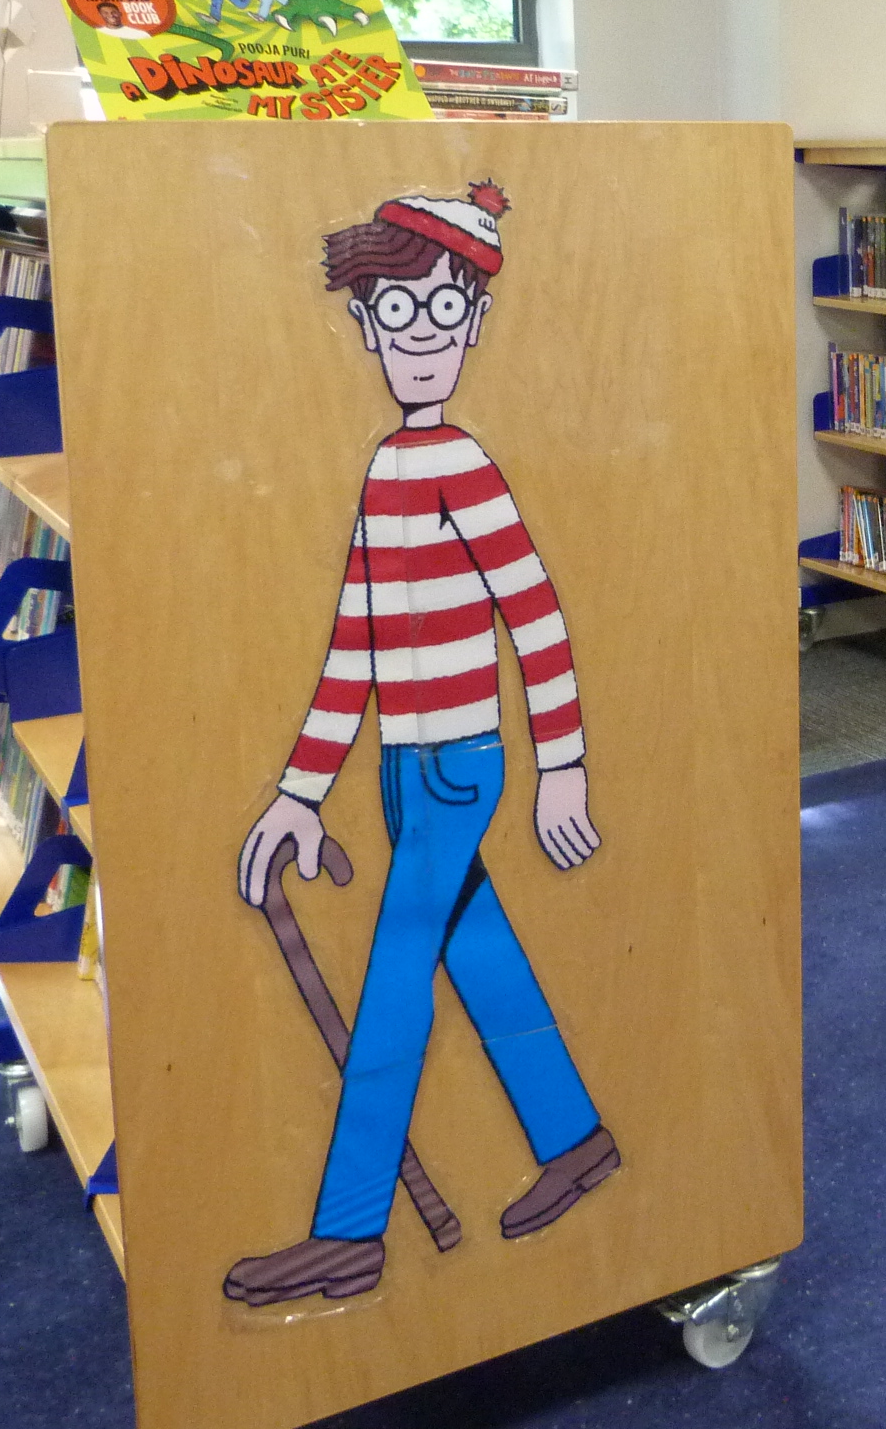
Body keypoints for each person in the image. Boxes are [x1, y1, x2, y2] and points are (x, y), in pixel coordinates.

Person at [223, 180, 618, 1308]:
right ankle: (575, 1135)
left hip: (458, 765)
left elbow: (535, 613)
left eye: (444, 313)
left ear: (477, 322)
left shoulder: (461, 467)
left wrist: (564, 767)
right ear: (364, 326)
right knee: (479, 954)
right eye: (398, 315)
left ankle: (348, 1230)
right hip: (405, 768)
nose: (423, 339)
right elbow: (353, 641)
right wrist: (299, 794)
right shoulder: (389, 469)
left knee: (396, 978)